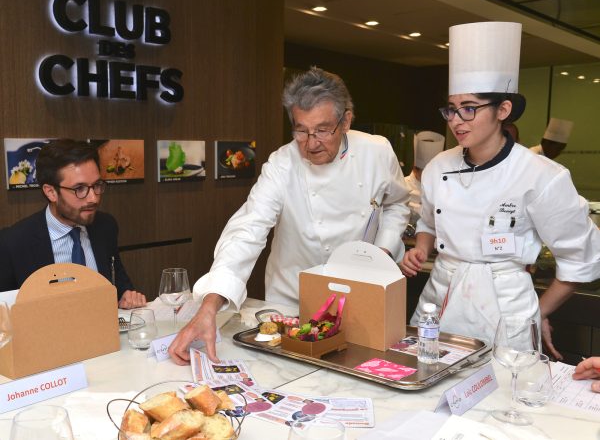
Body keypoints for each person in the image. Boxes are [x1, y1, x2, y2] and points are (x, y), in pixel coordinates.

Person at [169, 67, 411, 364]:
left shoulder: (377, 152)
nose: (311, 143)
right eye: (300, 130)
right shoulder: (283, 164)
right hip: (290, 302)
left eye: (322, 130)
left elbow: (399, 204)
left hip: (357, 296)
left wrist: (382, 251)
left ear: (346, 120)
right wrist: (209, 305)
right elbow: (248, 230)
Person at [400, 22, 600, 358]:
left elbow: (581, 259)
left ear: (502, 111)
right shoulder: (438, 168)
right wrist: (420, 248)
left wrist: (538, 312)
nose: (456, 120)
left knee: (502, 398)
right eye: (451, 109)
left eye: (470, 108)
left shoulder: (541, 175)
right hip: (441, 299)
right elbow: (429, 224)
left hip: (507, 309)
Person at [0, 139, 146, 309]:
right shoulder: (13, 243)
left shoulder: (105, 226)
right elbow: (5, 314)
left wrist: (127, 296)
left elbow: (119, 284)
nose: (93, 198)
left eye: (97, 185)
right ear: (51, 192)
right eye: (80, 189)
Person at [405, 131, 445, 227]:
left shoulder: (444, 188)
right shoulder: (402, 184)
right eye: (428, 172)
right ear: (415, 169)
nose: (433, 175)